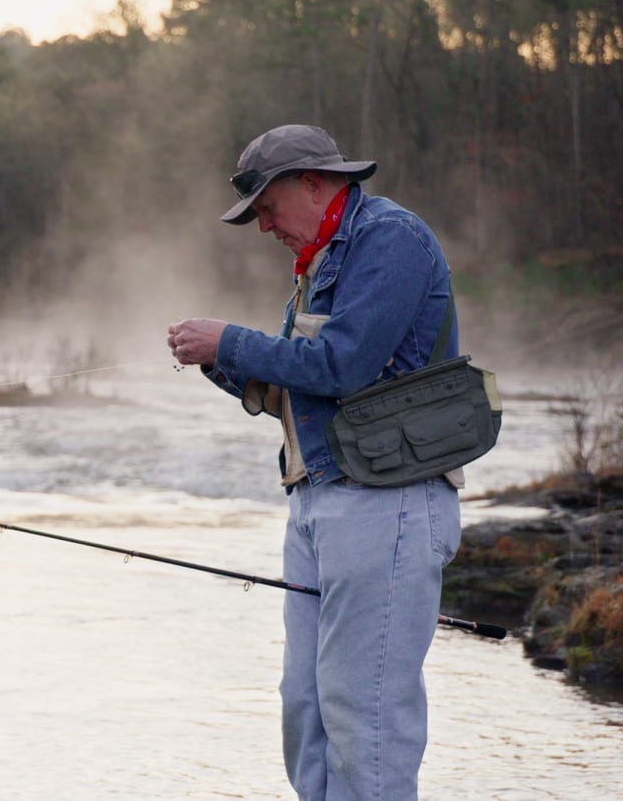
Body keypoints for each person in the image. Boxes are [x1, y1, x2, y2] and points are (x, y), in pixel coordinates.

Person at [166, 124, 461, 801]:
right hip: (319, 503)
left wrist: (232, 339)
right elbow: (295, 391)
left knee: (368, 721)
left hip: (386, 504)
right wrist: (217, 358)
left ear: (313, 181)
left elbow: (344, 365)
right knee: (306, 710)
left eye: (265, 208)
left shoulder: (391, 240)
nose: (262, 226)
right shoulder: (320, 261)